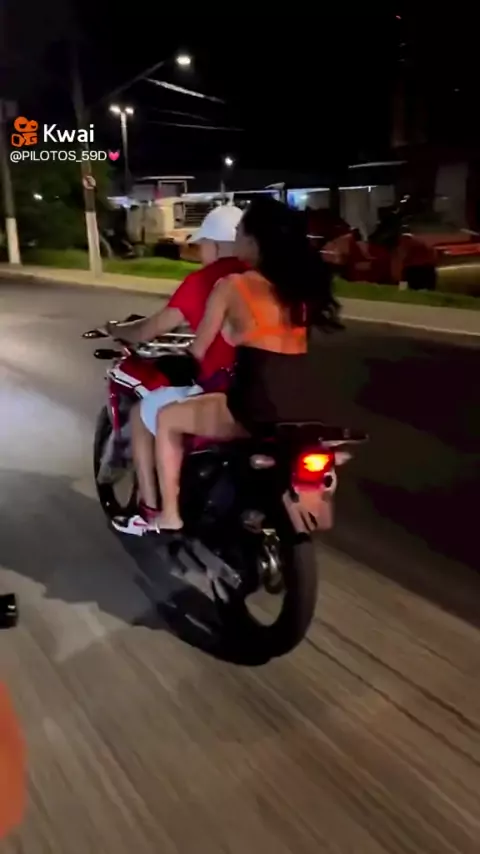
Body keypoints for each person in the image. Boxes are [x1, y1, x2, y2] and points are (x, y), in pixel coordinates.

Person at [144, 196, 342, 532]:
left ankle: (171, 515)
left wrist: (176, 364)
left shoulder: (232, 286)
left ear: (253, 241)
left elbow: (197, 352)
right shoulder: (299, 292)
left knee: (167, 418)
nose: (235, 239)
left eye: (239, 232)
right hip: (305, 408)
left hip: (254, 407)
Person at [110, 205, 246, 536]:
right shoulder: (264, 280)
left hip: (224, 392)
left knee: (145, 413)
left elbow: (152, 329)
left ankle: (153, 511)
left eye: (203, 245)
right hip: (270, 391)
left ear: (216, 245)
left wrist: (117, 330)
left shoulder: (209, 282)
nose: (200, 253)